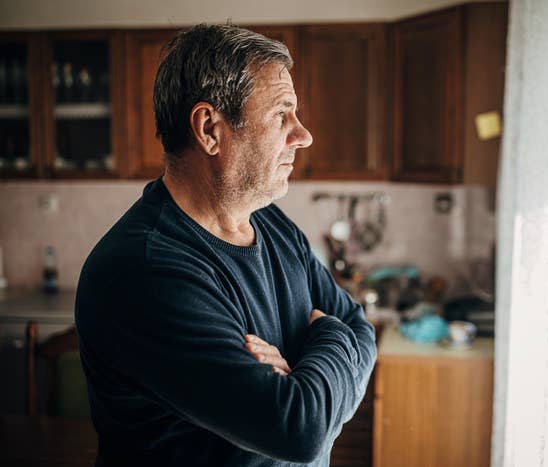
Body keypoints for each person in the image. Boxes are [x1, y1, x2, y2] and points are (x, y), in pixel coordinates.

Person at [75, 24, 376, 467]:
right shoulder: (143, 271)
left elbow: (362, 331)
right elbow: (300, 429)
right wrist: (329, 335)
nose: (303, 135)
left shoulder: (271, 223)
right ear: (210, 128)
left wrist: (311, 367)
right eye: (281, 115)